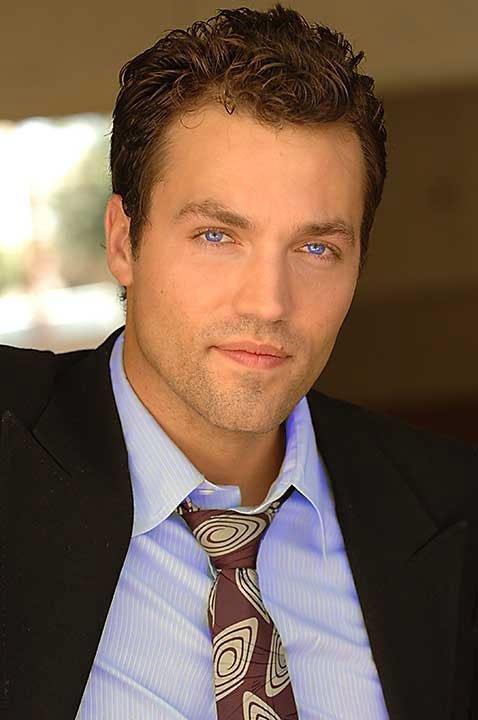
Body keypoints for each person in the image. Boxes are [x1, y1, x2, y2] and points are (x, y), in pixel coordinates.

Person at [1, 4, 477, 719]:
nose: (269, 303)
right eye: (217, 236)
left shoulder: (453, 510)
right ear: (125, 241)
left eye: (316, 248)